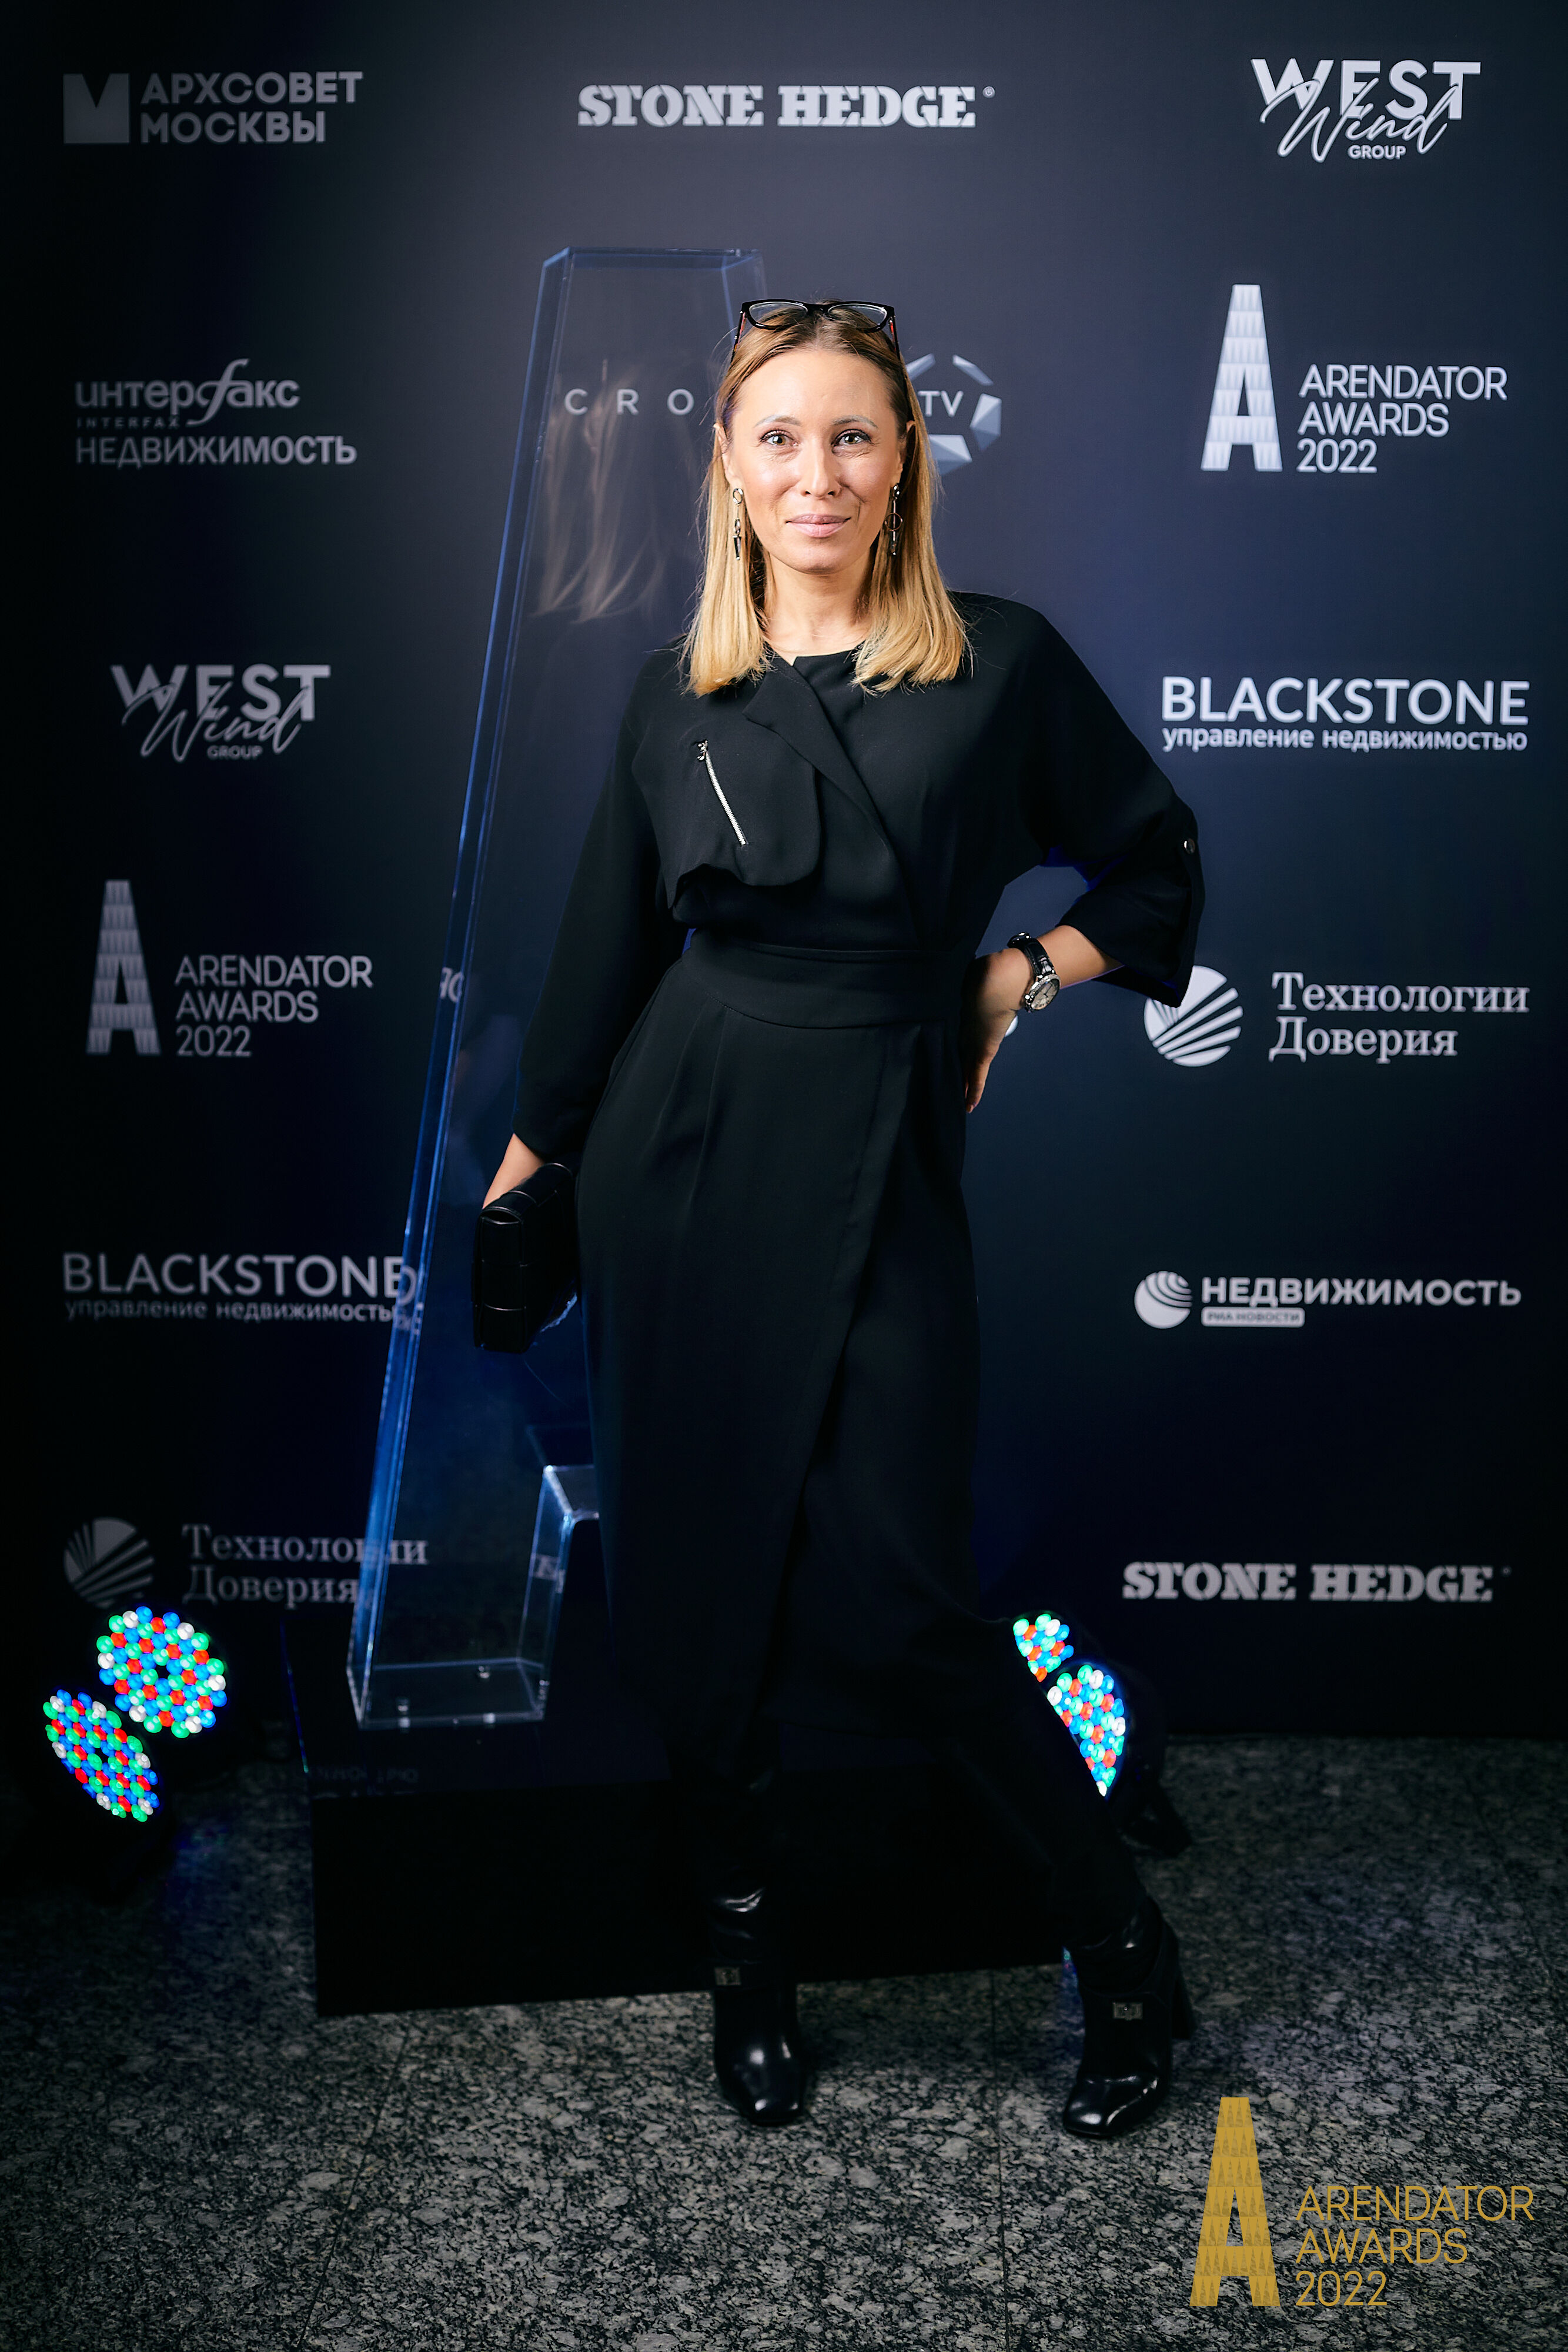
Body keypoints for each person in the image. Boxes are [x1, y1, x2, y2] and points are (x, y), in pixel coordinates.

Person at [486, 300, 1203, 2139]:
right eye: (781, 438)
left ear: (905, 466)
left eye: (854, 437)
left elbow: (1154, 858)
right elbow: (602, 956)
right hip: (680, 1149)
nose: (818, 473)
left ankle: (1123, 1951)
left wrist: (1015, 976)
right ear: (727, 465)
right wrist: (531, 1165)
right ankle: (749, 1967)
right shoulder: (676, 690)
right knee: (693, 1582)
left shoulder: (998, 662)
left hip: (877, 1135)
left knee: (905, 1595)